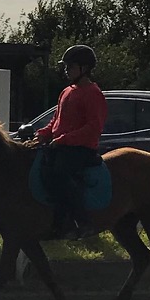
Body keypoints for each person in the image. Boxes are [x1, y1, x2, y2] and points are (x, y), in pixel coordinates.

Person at [34, 44, 107, 237]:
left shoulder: (93, 93)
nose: (67, 70)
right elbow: (56, 121)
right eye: (66, 67)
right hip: (62, 145)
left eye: (71, 67)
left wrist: (63, 139)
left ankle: (81, 221)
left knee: (59, 173)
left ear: (84, 68)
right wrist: (43, 133)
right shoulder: (66, 92)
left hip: (81, 148)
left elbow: (93, 128)